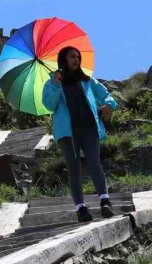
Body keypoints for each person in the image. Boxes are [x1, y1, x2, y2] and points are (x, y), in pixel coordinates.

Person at [42, 46, 120, 222]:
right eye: (72, 57)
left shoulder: (87, 80)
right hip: (67, 133)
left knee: (94, 163)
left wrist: (109, 104)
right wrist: (56, 84)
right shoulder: (52, 83)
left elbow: (106, 95)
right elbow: (49, 105)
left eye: (78, 57)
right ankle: (81, 209)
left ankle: (105, 202)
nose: (76, 60)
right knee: (73, 169)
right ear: (64, 59)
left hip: (89, 128)